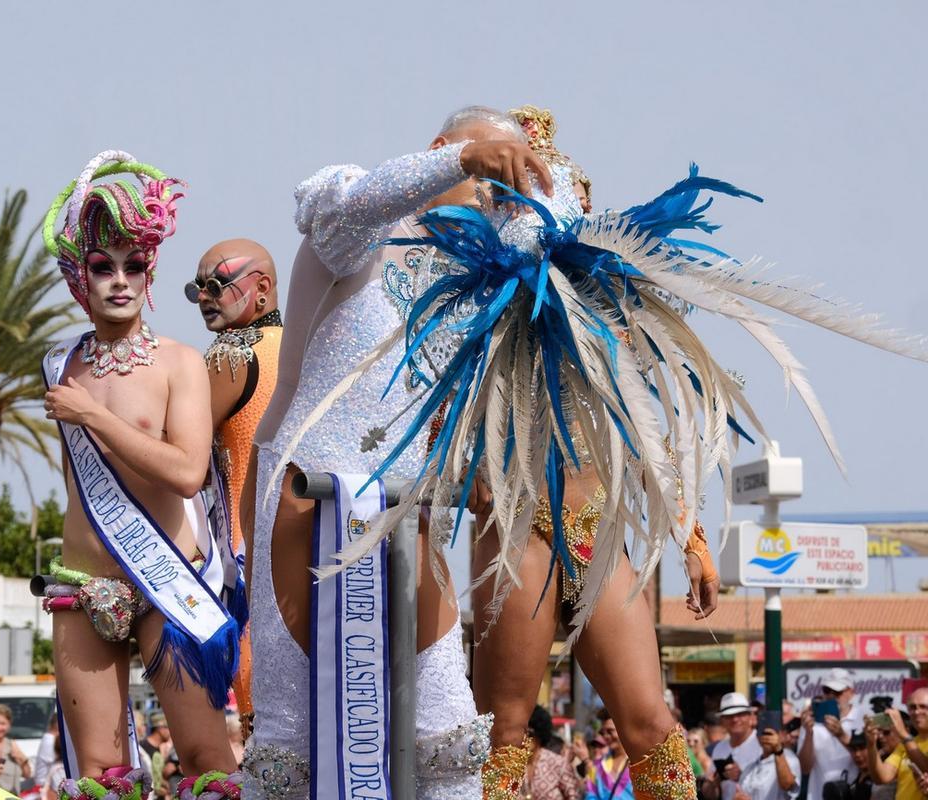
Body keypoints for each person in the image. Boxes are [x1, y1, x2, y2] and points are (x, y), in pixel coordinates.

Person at [240, 105, 555, 799]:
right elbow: (344, 211)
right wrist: (466, 160)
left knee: (444, 729)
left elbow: (550, 253)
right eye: (485, 168)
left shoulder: (482, 270)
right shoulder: (368, 213)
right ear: (440, 148)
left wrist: (537, 188)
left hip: (409, 508)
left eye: (504, 180)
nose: (492, 191)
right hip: (307, 493)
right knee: (293, 740)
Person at [466, 102, 719, 800]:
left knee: (654, 727)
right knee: (506, 734)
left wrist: (691, 535)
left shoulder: (615, 320)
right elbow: (440, 399)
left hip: (600, 531)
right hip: (520, 530)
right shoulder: (481, 310)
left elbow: (647, 431)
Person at [40, 150, 243, 798]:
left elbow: (186, 472)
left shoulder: (180, 364)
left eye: (136, 265)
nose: (121, 280)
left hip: (167, 582)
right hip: (83, 586)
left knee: (209, 761)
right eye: (104, 266)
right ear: (81, 275)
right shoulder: (59, 363)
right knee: (99, 777)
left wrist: (91, 417)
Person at [191, 237, 284, 725]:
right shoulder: (302, 348)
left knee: (260, 724)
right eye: (197, 288)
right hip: (300, 553)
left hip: (242, 564)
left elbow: (182, 453)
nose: (205, 297)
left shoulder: (229, 355)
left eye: (217, 284)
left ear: (262, 288)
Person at [800, 669, 866, 799]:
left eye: (837, 692)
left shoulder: (862, 719)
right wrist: (808, 734)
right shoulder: (812, 722)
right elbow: (805, 768)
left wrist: (841, 734)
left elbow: (866, 762)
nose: (831, 696)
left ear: (851, 692)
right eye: (826, 691)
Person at [866, 688, 928, 800]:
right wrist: (871, 745)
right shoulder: (905, 745)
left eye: (923, 706)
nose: (917, 712)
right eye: (913, 707)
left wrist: (903, 733)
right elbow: (881, 777)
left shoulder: (906, 740)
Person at [524, 706, 584, 800]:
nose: (525, 738)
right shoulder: (514, 764)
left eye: (530, 734)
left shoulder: (557, 763)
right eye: (521, 733)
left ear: (539, 734)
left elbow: (574, 796)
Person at [585, 710, 633, 799]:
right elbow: (590, 796)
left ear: (623, 729)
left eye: (610, 731)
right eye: (603, 732)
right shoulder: (597, 767)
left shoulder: (638, 763)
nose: (606, 736)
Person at [138, 712, 172, 798]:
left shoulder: (160, 749)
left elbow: (158, 776)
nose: (171, 732)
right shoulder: (142, 749)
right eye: (169, 728)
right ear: (160, 728)